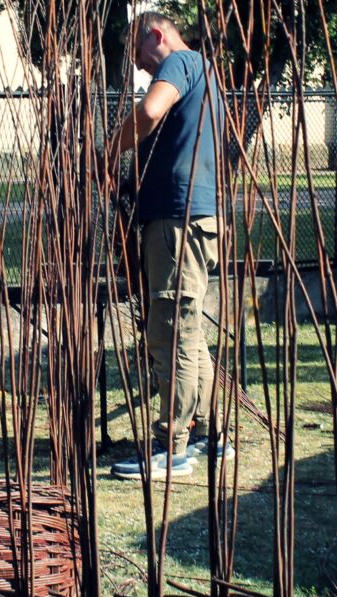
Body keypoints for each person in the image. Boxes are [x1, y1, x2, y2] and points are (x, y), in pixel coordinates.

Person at [103, 12, 232, 481]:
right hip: (198, 216)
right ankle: (210, 435)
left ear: (156, 35)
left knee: (170, 331)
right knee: (190, 331)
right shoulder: (206, 71)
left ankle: (171, 447)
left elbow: (149, 112)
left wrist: (107, 151)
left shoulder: (178, 63)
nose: (139, 67)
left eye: (137, 54)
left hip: (177, 221)